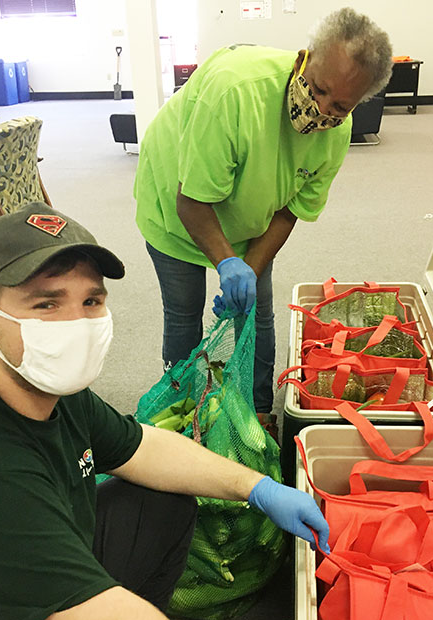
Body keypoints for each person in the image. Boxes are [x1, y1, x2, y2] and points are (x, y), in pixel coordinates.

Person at [0, 202, 342, 620]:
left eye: (91, 301)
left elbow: (141, 448)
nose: (76, 322)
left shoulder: (37, 384)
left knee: (164, 500)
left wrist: (259, 488)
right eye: (46, 304)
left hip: (38, 598)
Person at [134, 7, 393, 432]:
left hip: (251, 214)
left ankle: (257, 410)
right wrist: (226, 262)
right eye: (318, 88)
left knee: (255, 312)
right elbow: (191, 203)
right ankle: (179, 412)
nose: (321, 109)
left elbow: (290, 210)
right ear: (304, 59)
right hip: (177, 203)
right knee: (183, 311)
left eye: (340, 105)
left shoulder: (337, 136)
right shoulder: (234, 93)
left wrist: (249, 269)